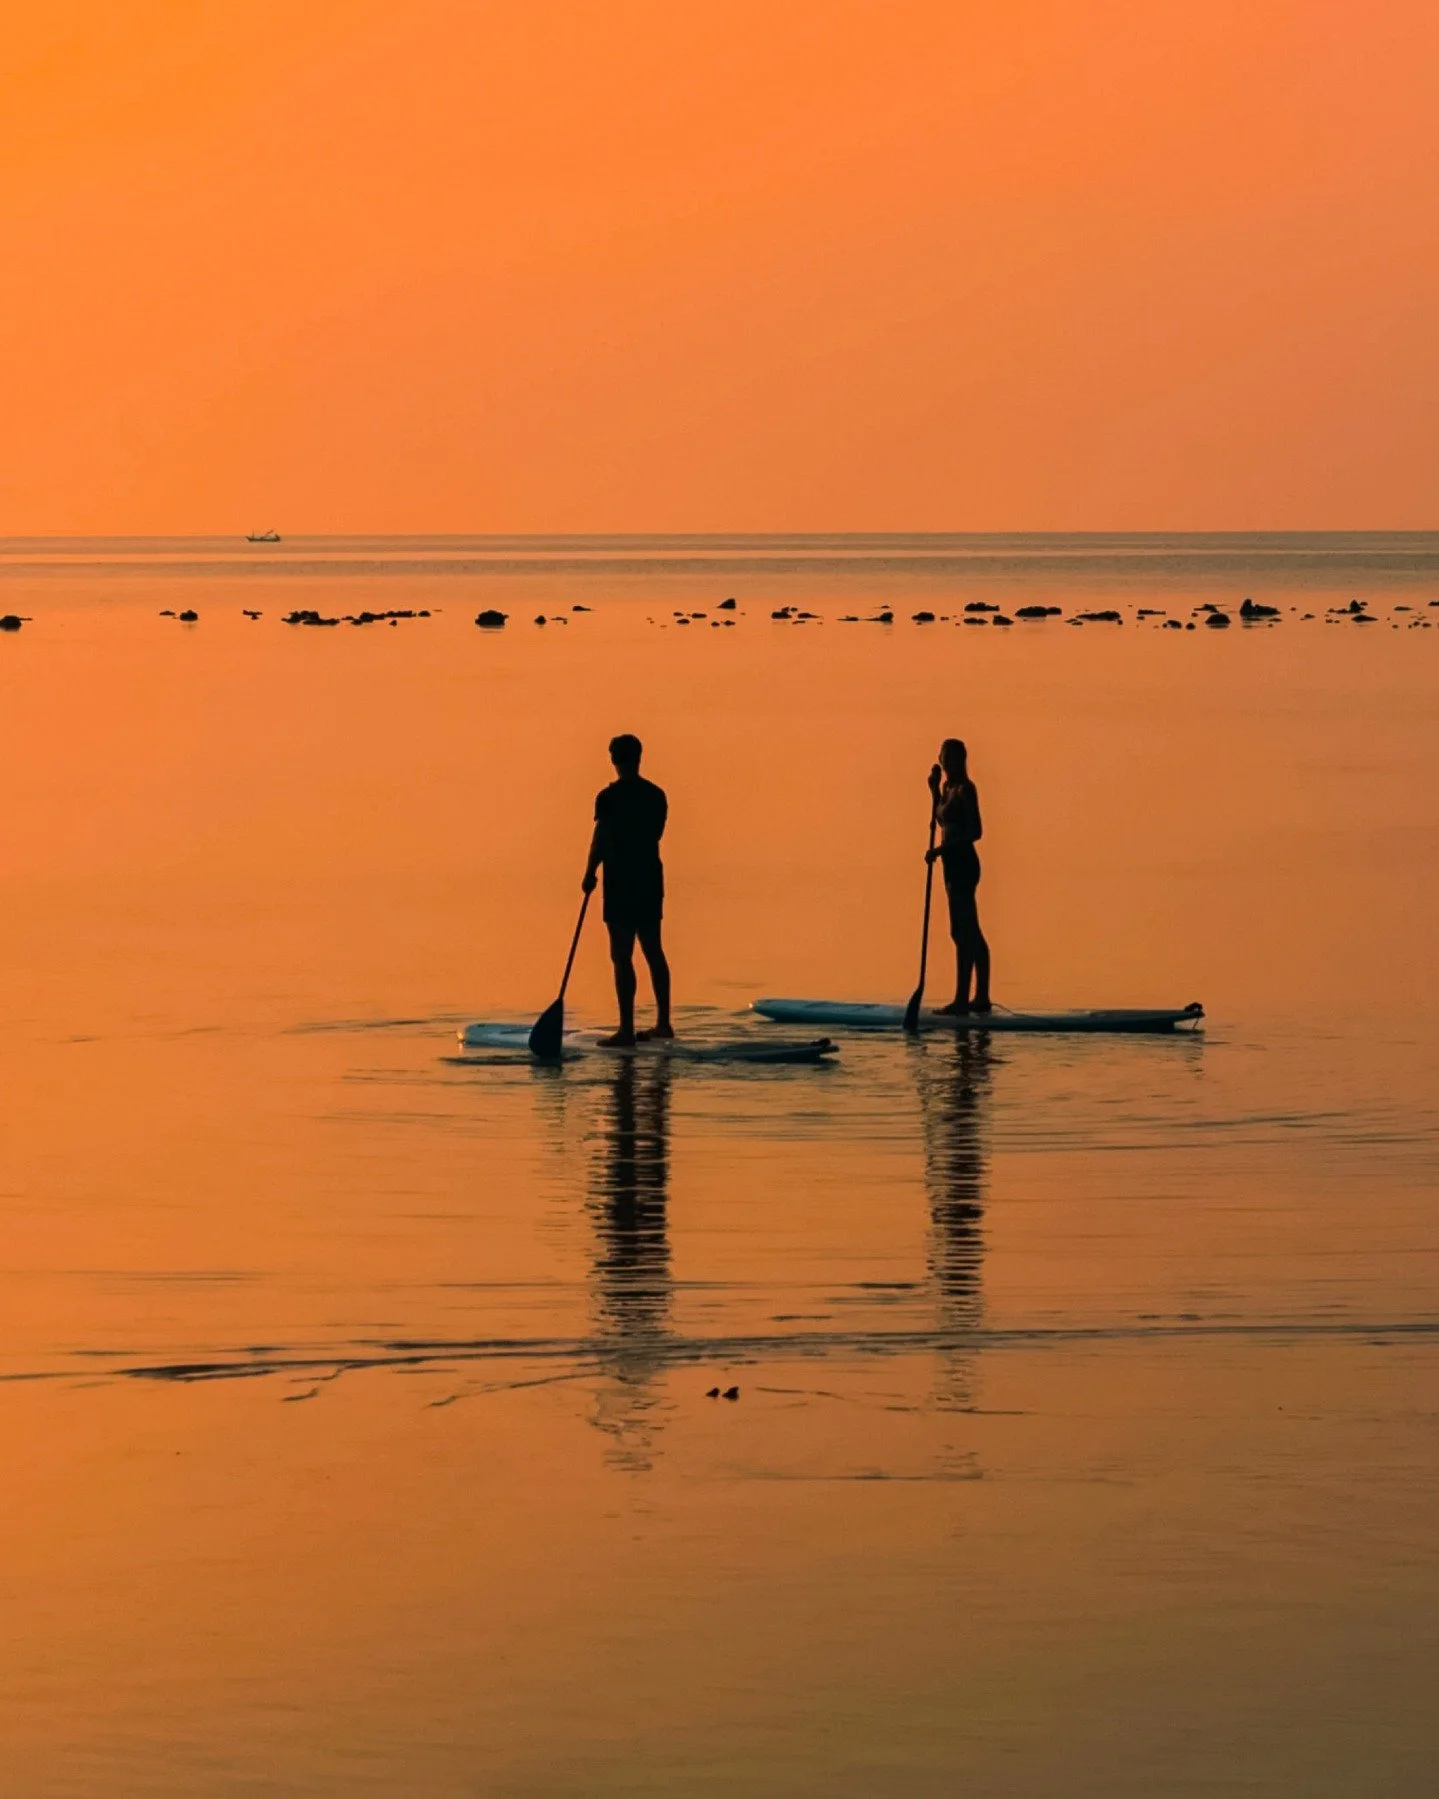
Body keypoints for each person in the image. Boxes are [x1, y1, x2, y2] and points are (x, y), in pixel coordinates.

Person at [584, 734, 673, 1048]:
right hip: (649, 878)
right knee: (653, 949)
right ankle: (663, 1023)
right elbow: (656, 833)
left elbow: (600, 838)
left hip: (621, 882)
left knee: (622, 956)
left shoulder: (607, 798)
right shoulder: (656, 795)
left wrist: (589, 873)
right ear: (638, 757)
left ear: (613, 760)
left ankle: (626, 1029)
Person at [926, 738, 992, 1014]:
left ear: (959, 759)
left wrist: (941, 849)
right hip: (950, 867)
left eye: (948, 758)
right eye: (942, 758)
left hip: (964, 864)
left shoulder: (966, 790)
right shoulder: (946, 788)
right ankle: (972, 998)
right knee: (959, 930)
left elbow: (975, 831)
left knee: (967, 930)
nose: (944, 763)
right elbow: (942, 820)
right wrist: (933, 792)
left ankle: (969, 999)